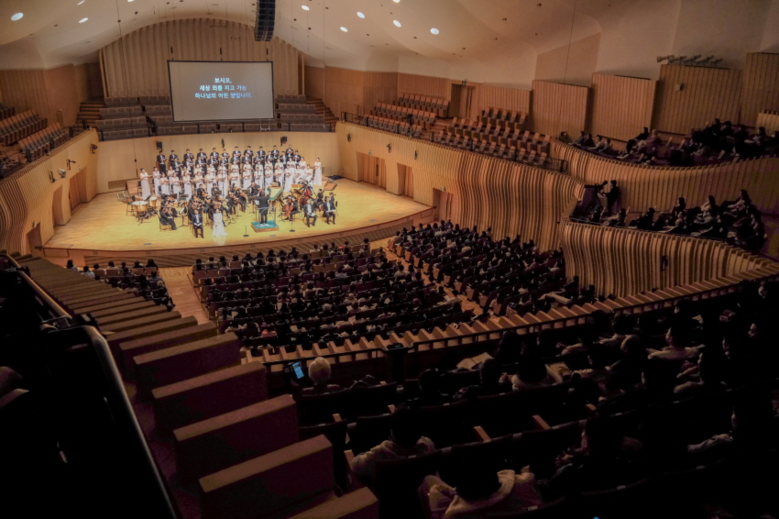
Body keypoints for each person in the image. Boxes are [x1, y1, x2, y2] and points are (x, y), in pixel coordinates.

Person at [420, 454, 543, 519]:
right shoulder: (525, 485)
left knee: (429, 480)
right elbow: (528, 475)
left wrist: (435, 504)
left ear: (461, 492)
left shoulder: (454, 515)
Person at [350, 404, 436, 485]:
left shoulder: (380, 453)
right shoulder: (428, 445)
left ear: (392, 432)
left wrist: (362, 454)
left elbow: (355, 467)